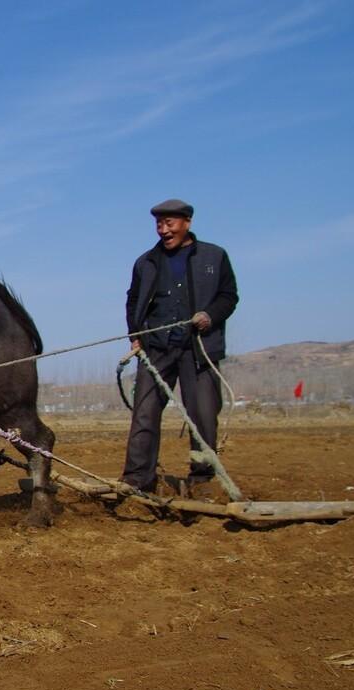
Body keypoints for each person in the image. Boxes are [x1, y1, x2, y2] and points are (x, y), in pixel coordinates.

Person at [121, 199, 238, 492]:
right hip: (155, 349)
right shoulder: (144, 262)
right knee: (144, 413)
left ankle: (202, 478)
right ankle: (137, 479)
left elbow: (229, 296)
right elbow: (133, 300)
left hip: (197, 349)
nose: (163, 230)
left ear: (187, 222)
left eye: (169, 223)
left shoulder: (214, 256)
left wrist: (209, 315)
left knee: (202, 415)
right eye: (159, 224)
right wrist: (135, 334)